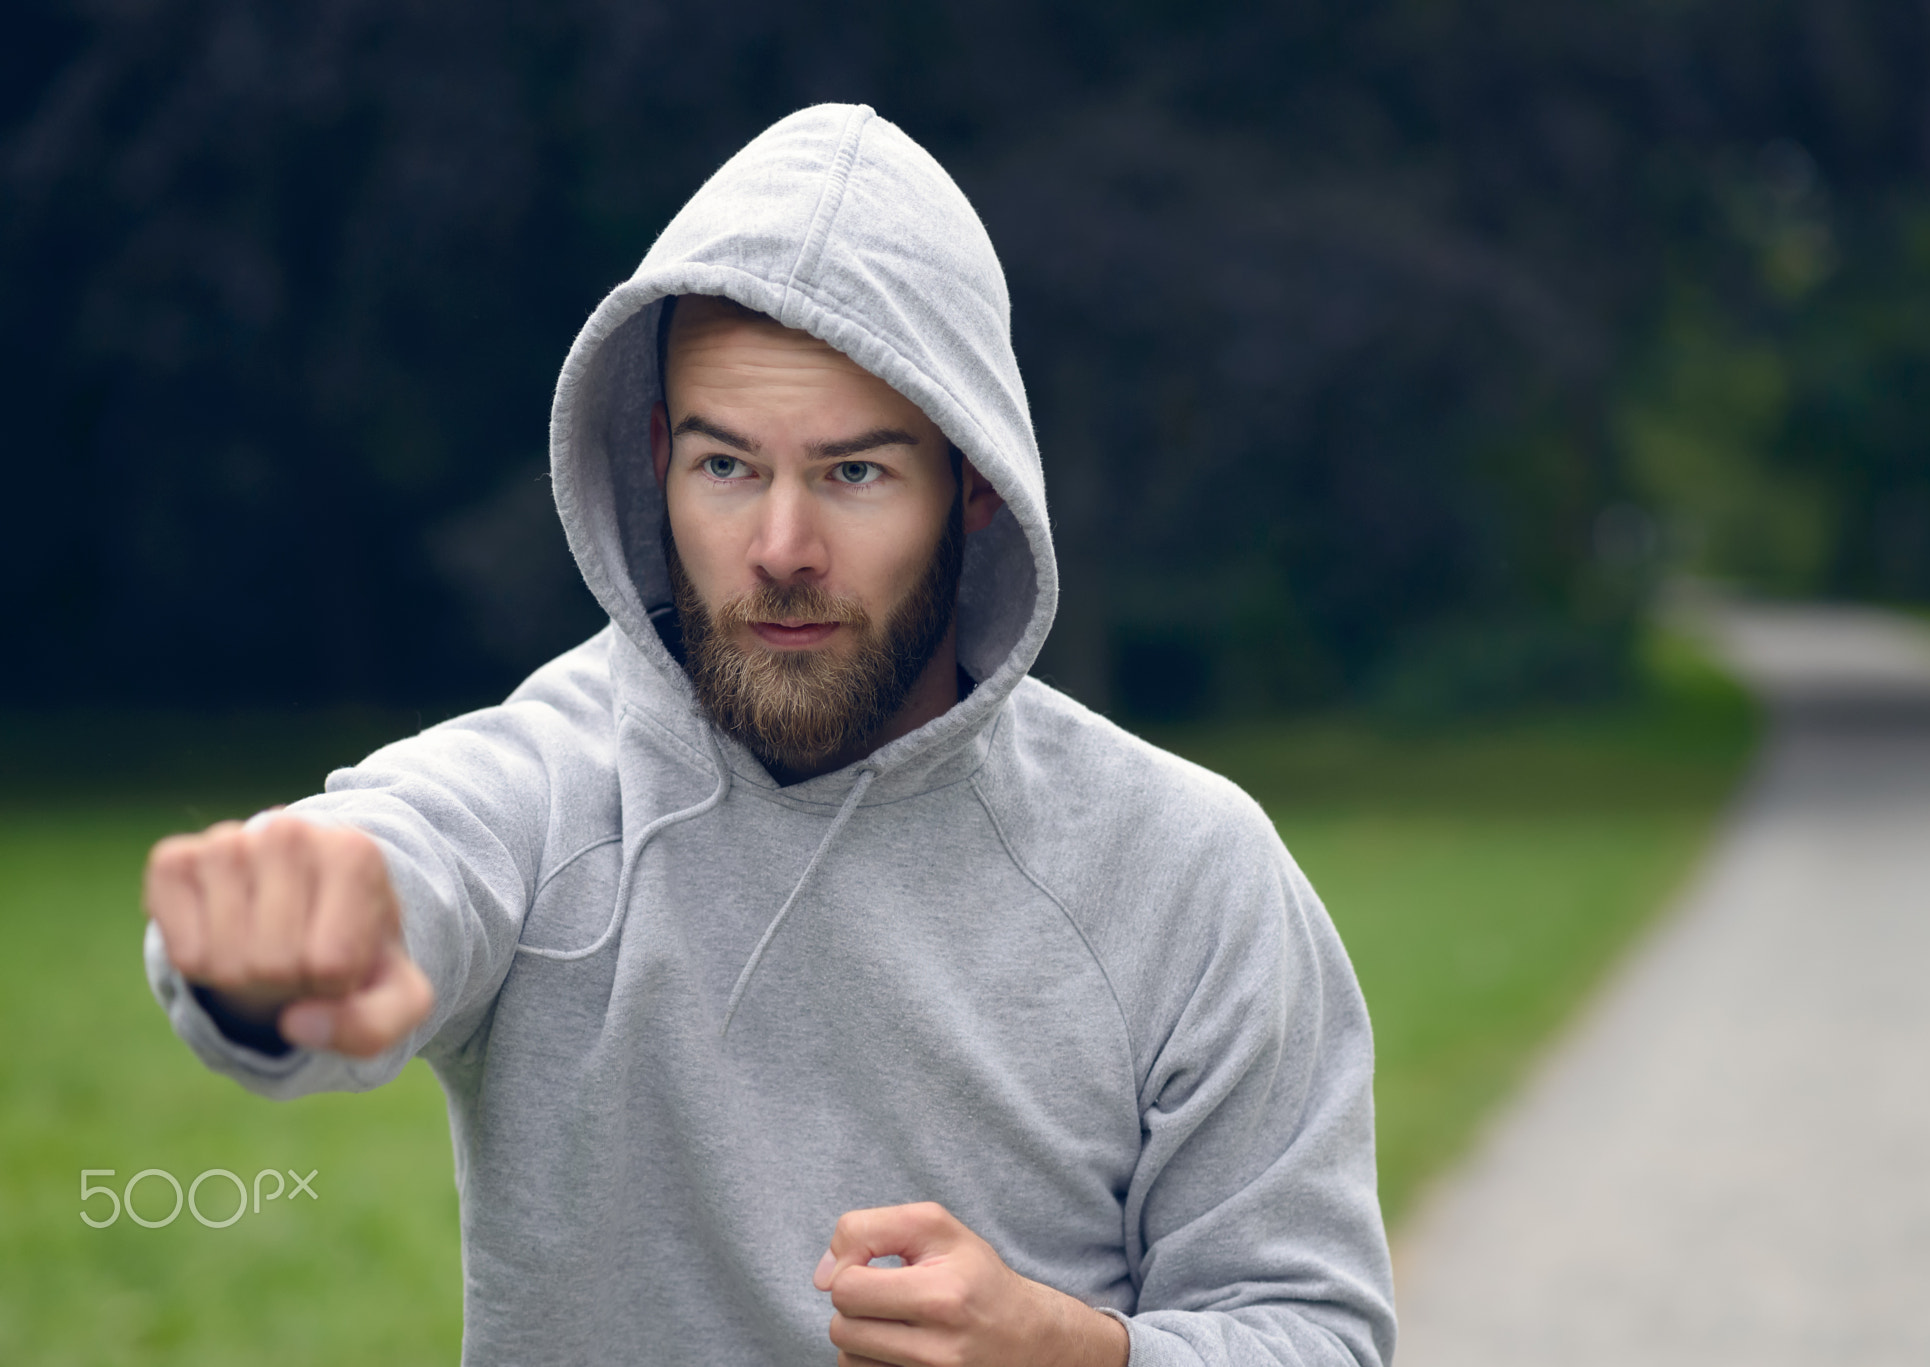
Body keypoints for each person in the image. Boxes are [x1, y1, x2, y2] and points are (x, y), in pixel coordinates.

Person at [141, 103, 1396, 1367]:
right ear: (653, 459)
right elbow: (403, 847)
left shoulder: (1187, 869)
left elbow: (1317, 1330)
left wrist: (1073, 1352)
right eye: (727, 465)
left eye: (853, 473)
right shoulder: (546, 793)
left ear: (972, 485)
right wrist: (283, 936)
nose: (780, 548)